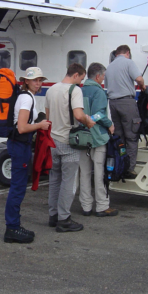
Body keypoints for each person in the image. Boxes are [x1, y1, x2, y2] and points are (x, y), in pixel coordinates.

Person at [45, 63, 95, 233]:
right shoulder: (75, 91)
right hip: (68, 141)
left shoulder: (51, 90)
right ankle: (64, 218)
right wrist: (88, 122)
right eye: (81, 79)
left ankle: (53, 216)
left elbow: (47, 115)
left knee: (54, 179)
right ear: (75, 75)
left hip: (53, 141)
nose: (81, 83)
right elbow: (78, 115)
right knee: (68, 181)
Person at [4, 67, 51, 244]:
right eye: (35, 80)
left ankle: (14, 225)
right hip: (19, 145)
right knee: (17, 187)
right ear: (26, 81)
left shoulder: (27, 96)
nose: (38, 83)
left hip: (19, 145)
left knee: (19, 186)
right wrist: (40, 126)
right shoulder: (25, 98)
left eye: (40, 80)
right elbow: (22, 127)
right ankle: (12, 228)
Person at [79, 63, 118, 217]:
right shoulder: (99, 92)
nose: (103, 79)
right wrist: (110, 125)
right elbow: (98, 114)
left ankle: (86, 206)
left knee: (84, 173)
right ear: (98, 76)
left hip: (82, 137)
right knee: (100, 173)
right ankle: (101, 206)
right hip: (97, 137)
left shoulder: (79, 90)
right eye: (103, 76)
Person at [105, 45, 145, 179]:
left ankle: (119, 165)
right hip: (127, 102)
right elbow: (139, 79)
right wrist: (143, 86)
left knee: (119, 137)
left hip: (113, 103)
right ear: (127, 53)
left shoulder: (109, 67)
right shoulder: (129, 62)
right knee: (132, 136)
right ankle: (129, 169)